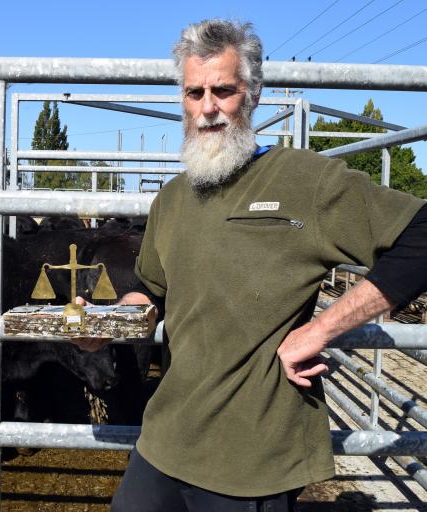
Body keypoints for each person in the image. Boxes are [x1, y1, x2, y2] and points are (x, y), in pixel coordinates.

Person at [77, 18, 427, 512]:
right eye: (194, 92)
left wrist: (322, 329)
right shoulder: (173, 198)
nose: (207, 108)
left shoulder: (304, 181)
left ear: (253, 94)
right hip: (164, 440)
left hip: (252, 458)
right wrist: (107, 324)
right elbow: (152, 292)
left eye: (223, 90)